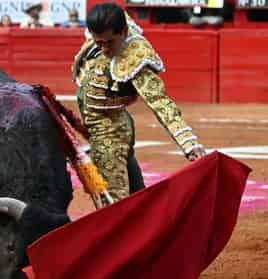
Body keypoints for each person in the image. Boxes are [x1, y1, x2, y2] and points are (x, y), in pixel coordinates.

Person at [72, 3, 206, 203]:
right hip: (103, 125)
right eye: (98, 42)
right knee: (136, 197)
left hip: (109, 133)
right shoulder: (106, 27)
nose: (104, 48)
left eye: (109, 42)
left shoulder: (136, 59)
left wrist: (189, 144)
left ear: (124, 32)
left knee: (112, 204)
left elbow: (161, 102)